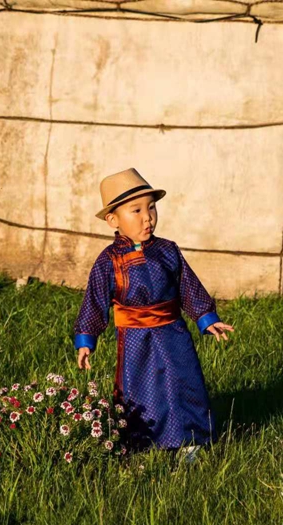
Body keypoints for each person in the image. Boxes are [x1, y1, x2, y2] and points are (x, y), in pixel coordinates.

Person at [73, 167, 234, 463]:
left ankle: (190, 440)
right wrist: (86, 339)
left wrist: (206, 318)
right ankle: (141, 443)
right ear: (113, 220)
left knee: (183, 381)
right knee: (140, 390)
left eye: (151, 207)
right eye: (136, 210)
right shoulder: (109, 261)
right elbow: (94, 300)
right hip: (135, 338)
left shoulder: (168, 251)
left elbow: (187, 286)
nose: (147, 217)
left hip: (172, 331)